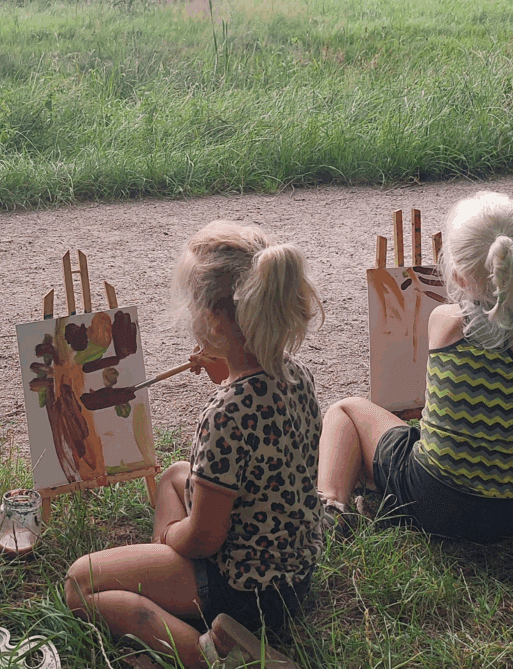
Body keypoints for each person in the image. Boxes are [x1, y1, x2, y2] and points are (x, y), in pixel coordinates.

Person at [65, 221, 325, 668]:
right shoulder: (295, 374)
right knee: (172, 477)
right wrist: (224, 362)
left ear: (213, 321)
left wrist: (169, 538)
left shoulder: (227, 412)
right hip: (293, 571)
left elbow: (204, 538)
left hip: (245, 588)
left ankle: (213, 655)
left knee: (79, 583)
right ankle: (175, 595)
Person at [317, 192, 513, 555]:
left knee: (345, 409)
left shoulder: (442, 321)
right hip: (508, 516)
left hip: (428, 498)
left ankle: (330, 507)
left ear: (455, 273)